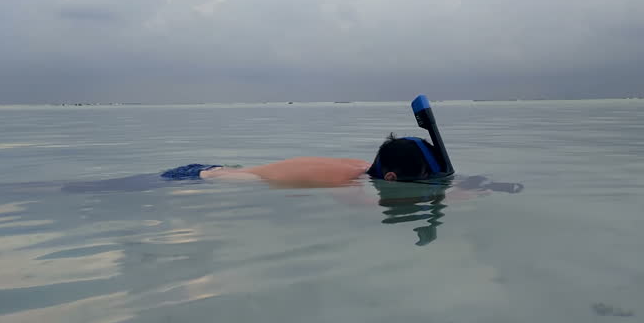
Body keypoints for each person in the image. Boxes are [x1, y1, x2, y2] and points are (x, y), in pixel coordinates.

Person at [160, 133, 443, 187]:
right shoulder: (346, 182)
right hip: (203, 180)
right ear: (391, 178)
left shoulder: (358, 166)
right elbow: (375, 211)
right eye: (424, 180)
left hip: (207, 171)